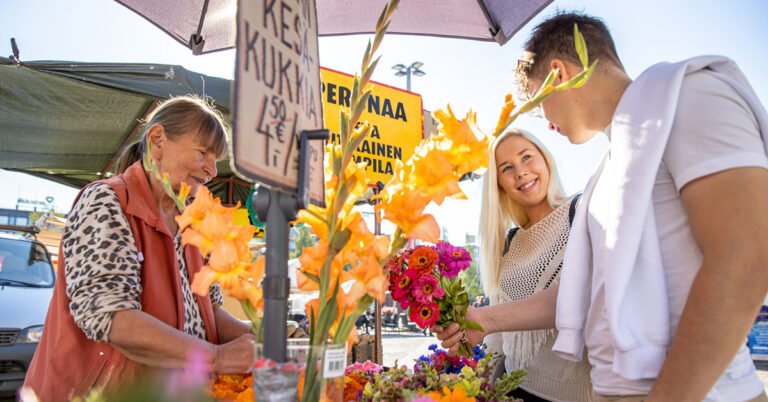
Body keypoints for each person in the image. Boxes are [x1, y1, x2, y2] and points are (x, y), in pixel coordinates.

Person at [436, 12, 768, 402]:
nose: (548, 124)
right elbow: (582, 288)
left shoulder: (690, 93)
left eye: (539, 105)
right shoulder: (609, 170)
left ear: (559, 74)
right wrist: (485, 319)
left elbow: (746, 255)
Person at [24, 96, 255, 400]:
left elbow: (208, 312)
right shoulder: (107, 201)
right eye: (203, 153)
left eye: (216, 158)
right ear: (158, 139)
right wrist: (217, 357)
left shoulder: (192, 222)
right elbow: (110, 316)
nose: (212, 170)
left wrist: (262, 337)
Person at [477, 128, 591, 402]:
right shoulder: (508, 242)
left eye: (527, 157)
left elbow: (582, 299)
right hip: (511, 390)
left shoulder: (582, 213)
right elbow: (498, 337)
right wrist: (479, 386)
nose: (520, 172)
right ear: (499, 185)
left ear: (545, 158)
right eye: (507, 168)